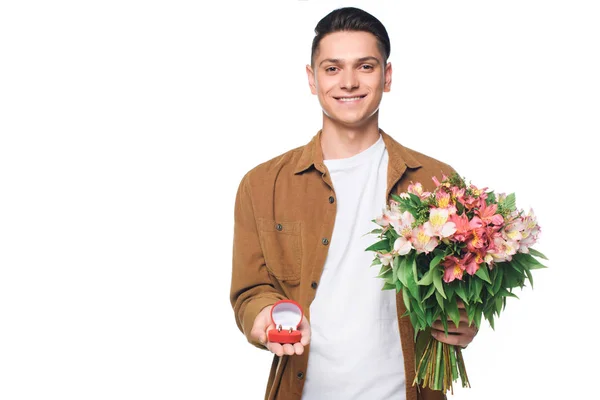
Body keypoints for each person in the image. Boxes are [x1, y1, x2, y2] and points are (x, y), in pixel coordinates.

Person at [230, 6, 478, 400]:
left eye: (365, 66)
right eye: (332, 68)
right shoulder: (263, 185)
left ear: (387, 75)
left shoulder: (437, 181)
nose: (348, 82)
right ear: (312, 79)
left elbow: (460, 286)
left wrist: (465, 321)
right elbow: (251, 290)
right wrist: (264, 318)